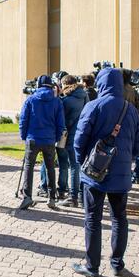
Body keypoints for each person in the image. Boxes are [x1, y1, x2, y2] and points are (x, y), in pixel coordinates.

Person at [72, 67, 139, 277]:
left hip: (94, 172)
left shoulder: (93, 106)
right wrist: (128, 160)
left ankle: (92, 266)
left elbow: (79, 139)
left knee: (92, 218)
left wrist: (82, 161)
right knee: (120, 218)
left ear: (101, 83)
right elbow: (138, 144)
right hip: (121, 173)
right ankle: (117, 263)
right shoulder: (131, 110)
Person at [17, 75, 65, 210]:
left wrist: (23, 136)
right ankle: (52, 198)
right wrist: (55, 138)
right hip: (49, 139)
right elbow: (60, 124)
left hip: (32, 138)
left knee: (29, 167)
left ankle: (27, 197)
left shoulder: (31, 99)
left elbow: (23, 120)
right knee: (50, 168)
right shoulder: (56, 102)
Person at [56, 75, 89, 207]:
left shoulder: (66, 101)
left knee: (74, 167)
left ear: (65, 85)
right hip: (84, 135)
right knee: (82, 166)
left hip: (72, 137)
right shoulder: (85, 96)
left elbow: (64, 122)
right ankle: (82, 196)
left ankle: (73, 197)